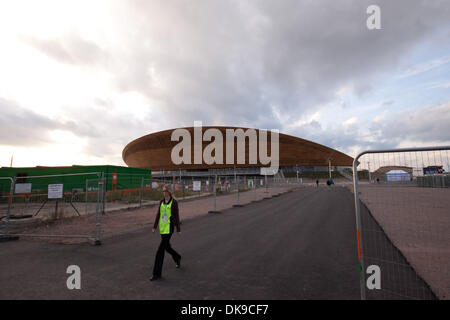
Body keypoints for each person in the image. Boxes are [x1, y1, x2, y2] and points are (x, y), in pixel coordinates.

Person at [150, 184, 181, 281]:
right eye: (163, 191)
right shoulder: (161, 202)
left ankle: (156, 274)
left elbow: (177, 216)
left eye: (165, 191)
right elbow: (158, 214)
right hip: (162, 228)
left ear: (169, 192)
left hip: (170, 228)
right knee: (167, 247)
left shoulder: (174, 202)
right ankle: (177, 257)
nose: (163, 192)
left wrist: (178, 229)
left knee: (160, 251)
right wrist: (155, 226)